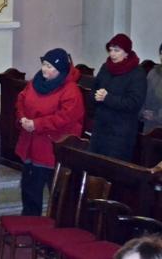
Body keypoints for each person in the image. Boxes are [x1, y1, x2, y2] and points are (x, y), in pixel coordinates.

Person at [15, 48, 84, 216]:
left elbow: (65, 118)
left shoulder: (70, 90)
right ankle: (29, 221)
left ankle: (53, 225)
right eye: (44, 64)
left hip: (52, 148)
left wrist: (37, 124)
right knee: (29, 189)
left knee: (57, 194)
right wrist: (22, 118)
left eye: (49, 66)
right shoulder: (35, 82)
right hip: (31, 143)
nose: (44, 69)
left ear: (60, 70)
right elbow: (21, 100)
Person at [89, 33, 147, 161]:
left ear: (126, 53)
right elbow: (93, 89)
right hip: (100, 128)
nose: (112, 54)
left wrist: (107, 98)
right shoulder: (106, 67)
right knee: (94, 165)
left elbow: (134, 102)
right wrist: (95, 96)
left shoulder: (137, 73)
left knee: (112, 168)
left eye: (117, 50)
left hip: (121, 133)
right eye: (110, 50)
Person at [141, 43, 162, 132]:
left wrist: (156, 116)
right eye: (161, 53)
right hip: (149, 124)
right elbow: (142, 95)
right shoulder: (153, 72)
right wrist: (143, 112)